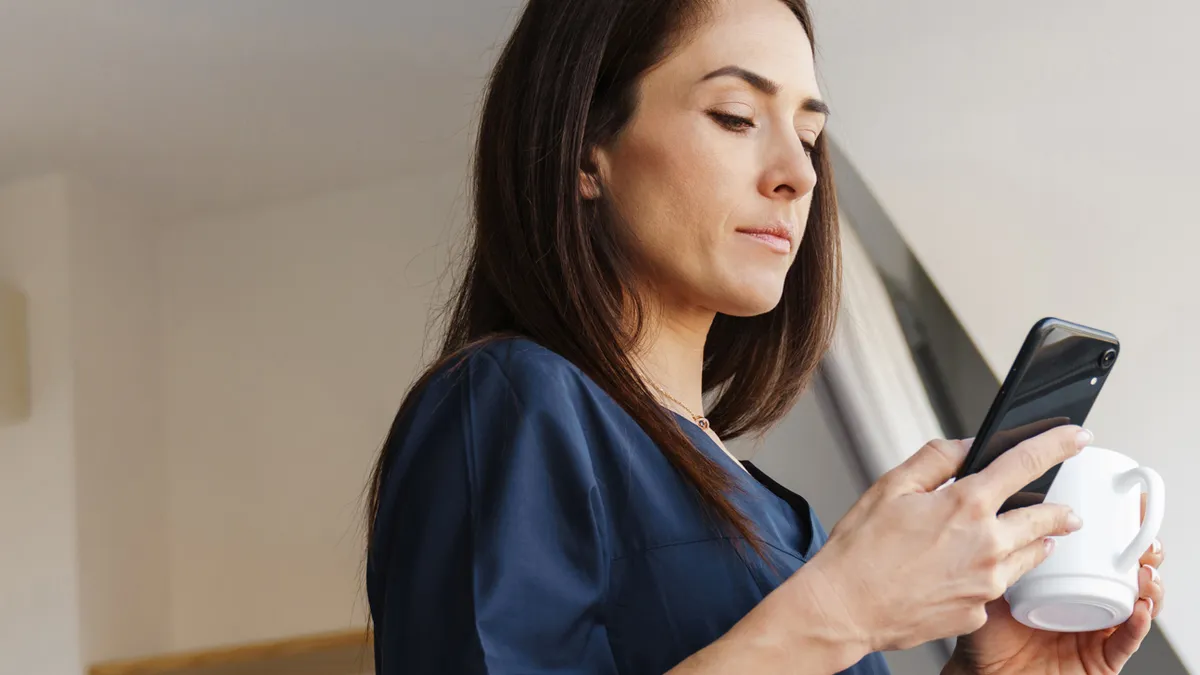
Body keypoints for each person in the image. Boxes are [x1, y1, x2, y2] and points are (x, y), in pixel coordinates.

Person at [364, 0, 1167, 672]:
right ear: (585, 148)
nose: (800, 172)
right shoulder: (512, 403)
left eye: (810, 135)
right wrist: (843, 609)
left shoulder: (786, 525)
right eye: (736, 116)